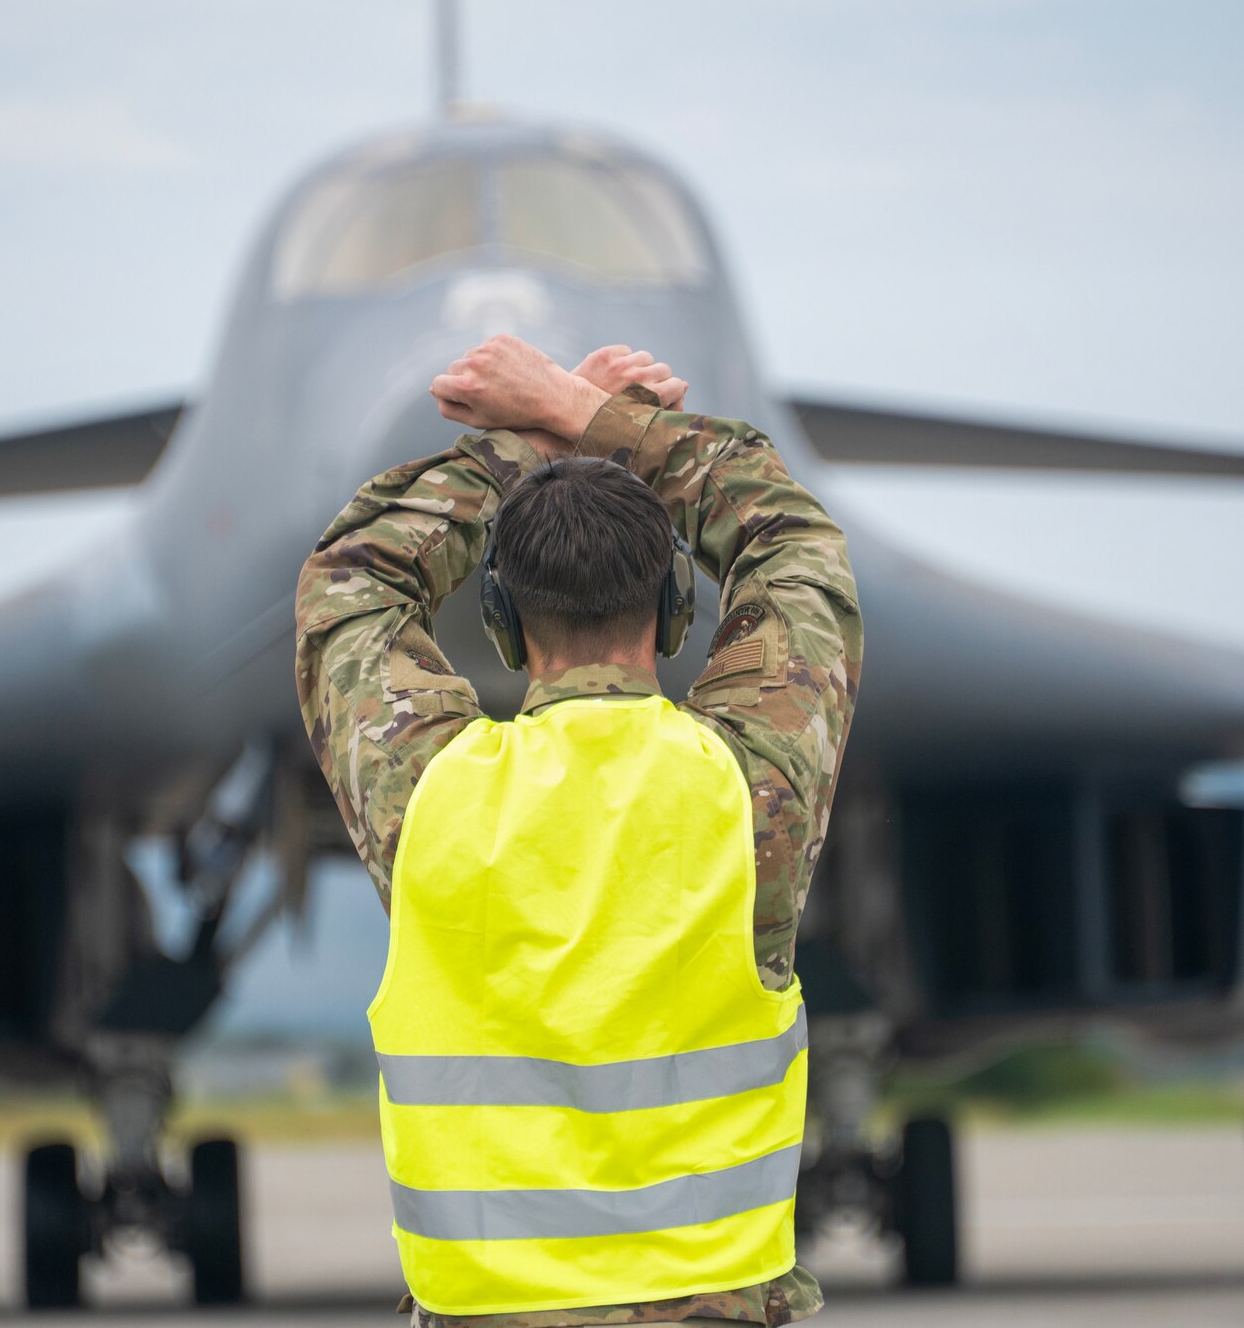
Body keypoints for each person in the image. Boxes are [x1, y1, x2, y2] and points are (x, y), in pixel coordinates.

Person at [294, 335, 861, 1328]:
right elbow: (790, 543)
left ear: (504, 621)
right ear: (677, 607)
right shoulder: (750, 783)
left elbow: (350, 579)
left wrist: (516, 442)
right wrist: (593, 416)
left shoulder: (425, 791)